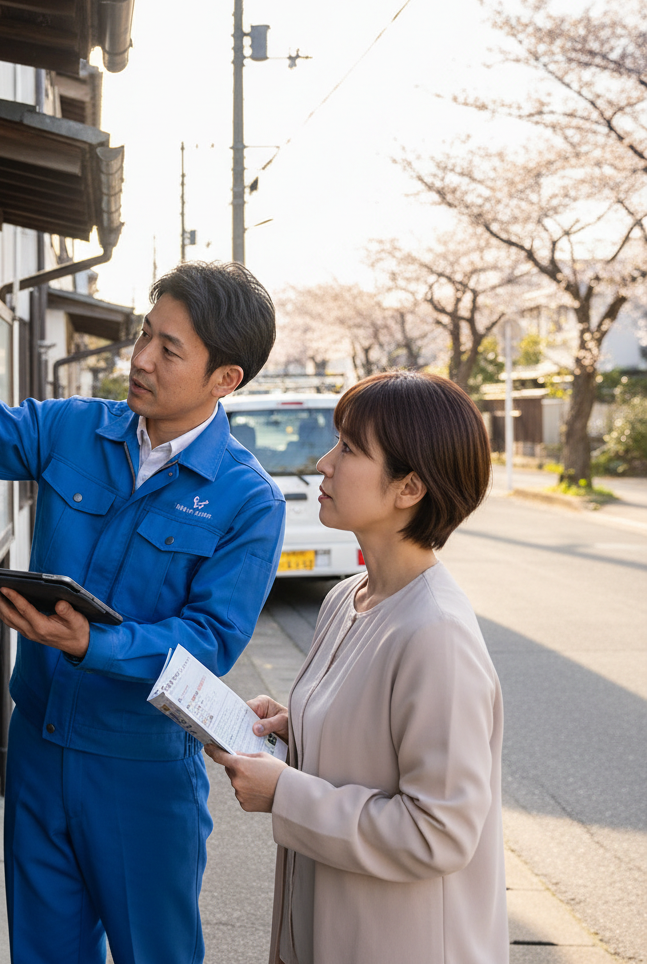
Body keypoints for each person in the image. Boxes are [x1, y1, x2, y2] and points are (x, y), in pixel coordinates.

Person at [0, 255, 286, 964]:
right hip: (38, 752)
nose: (140, 360)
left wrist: (89, 645)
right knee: (43, 954)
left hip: (142, 772)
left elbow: (211, 641)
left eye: (170, 349)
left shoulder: (247, 499)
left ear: (225, 379)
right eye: (144, 335)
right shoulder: (76, 427)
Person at [206, 370, 508, 964]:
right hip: (330, 926)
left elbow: (437, 833)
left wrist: (285, 794)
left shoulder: (437, 635)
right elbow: (378, 741)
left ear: (410, 488)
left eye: (348, 448)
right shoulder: (349, 596)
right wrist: (300, 724)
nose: (323, 462)